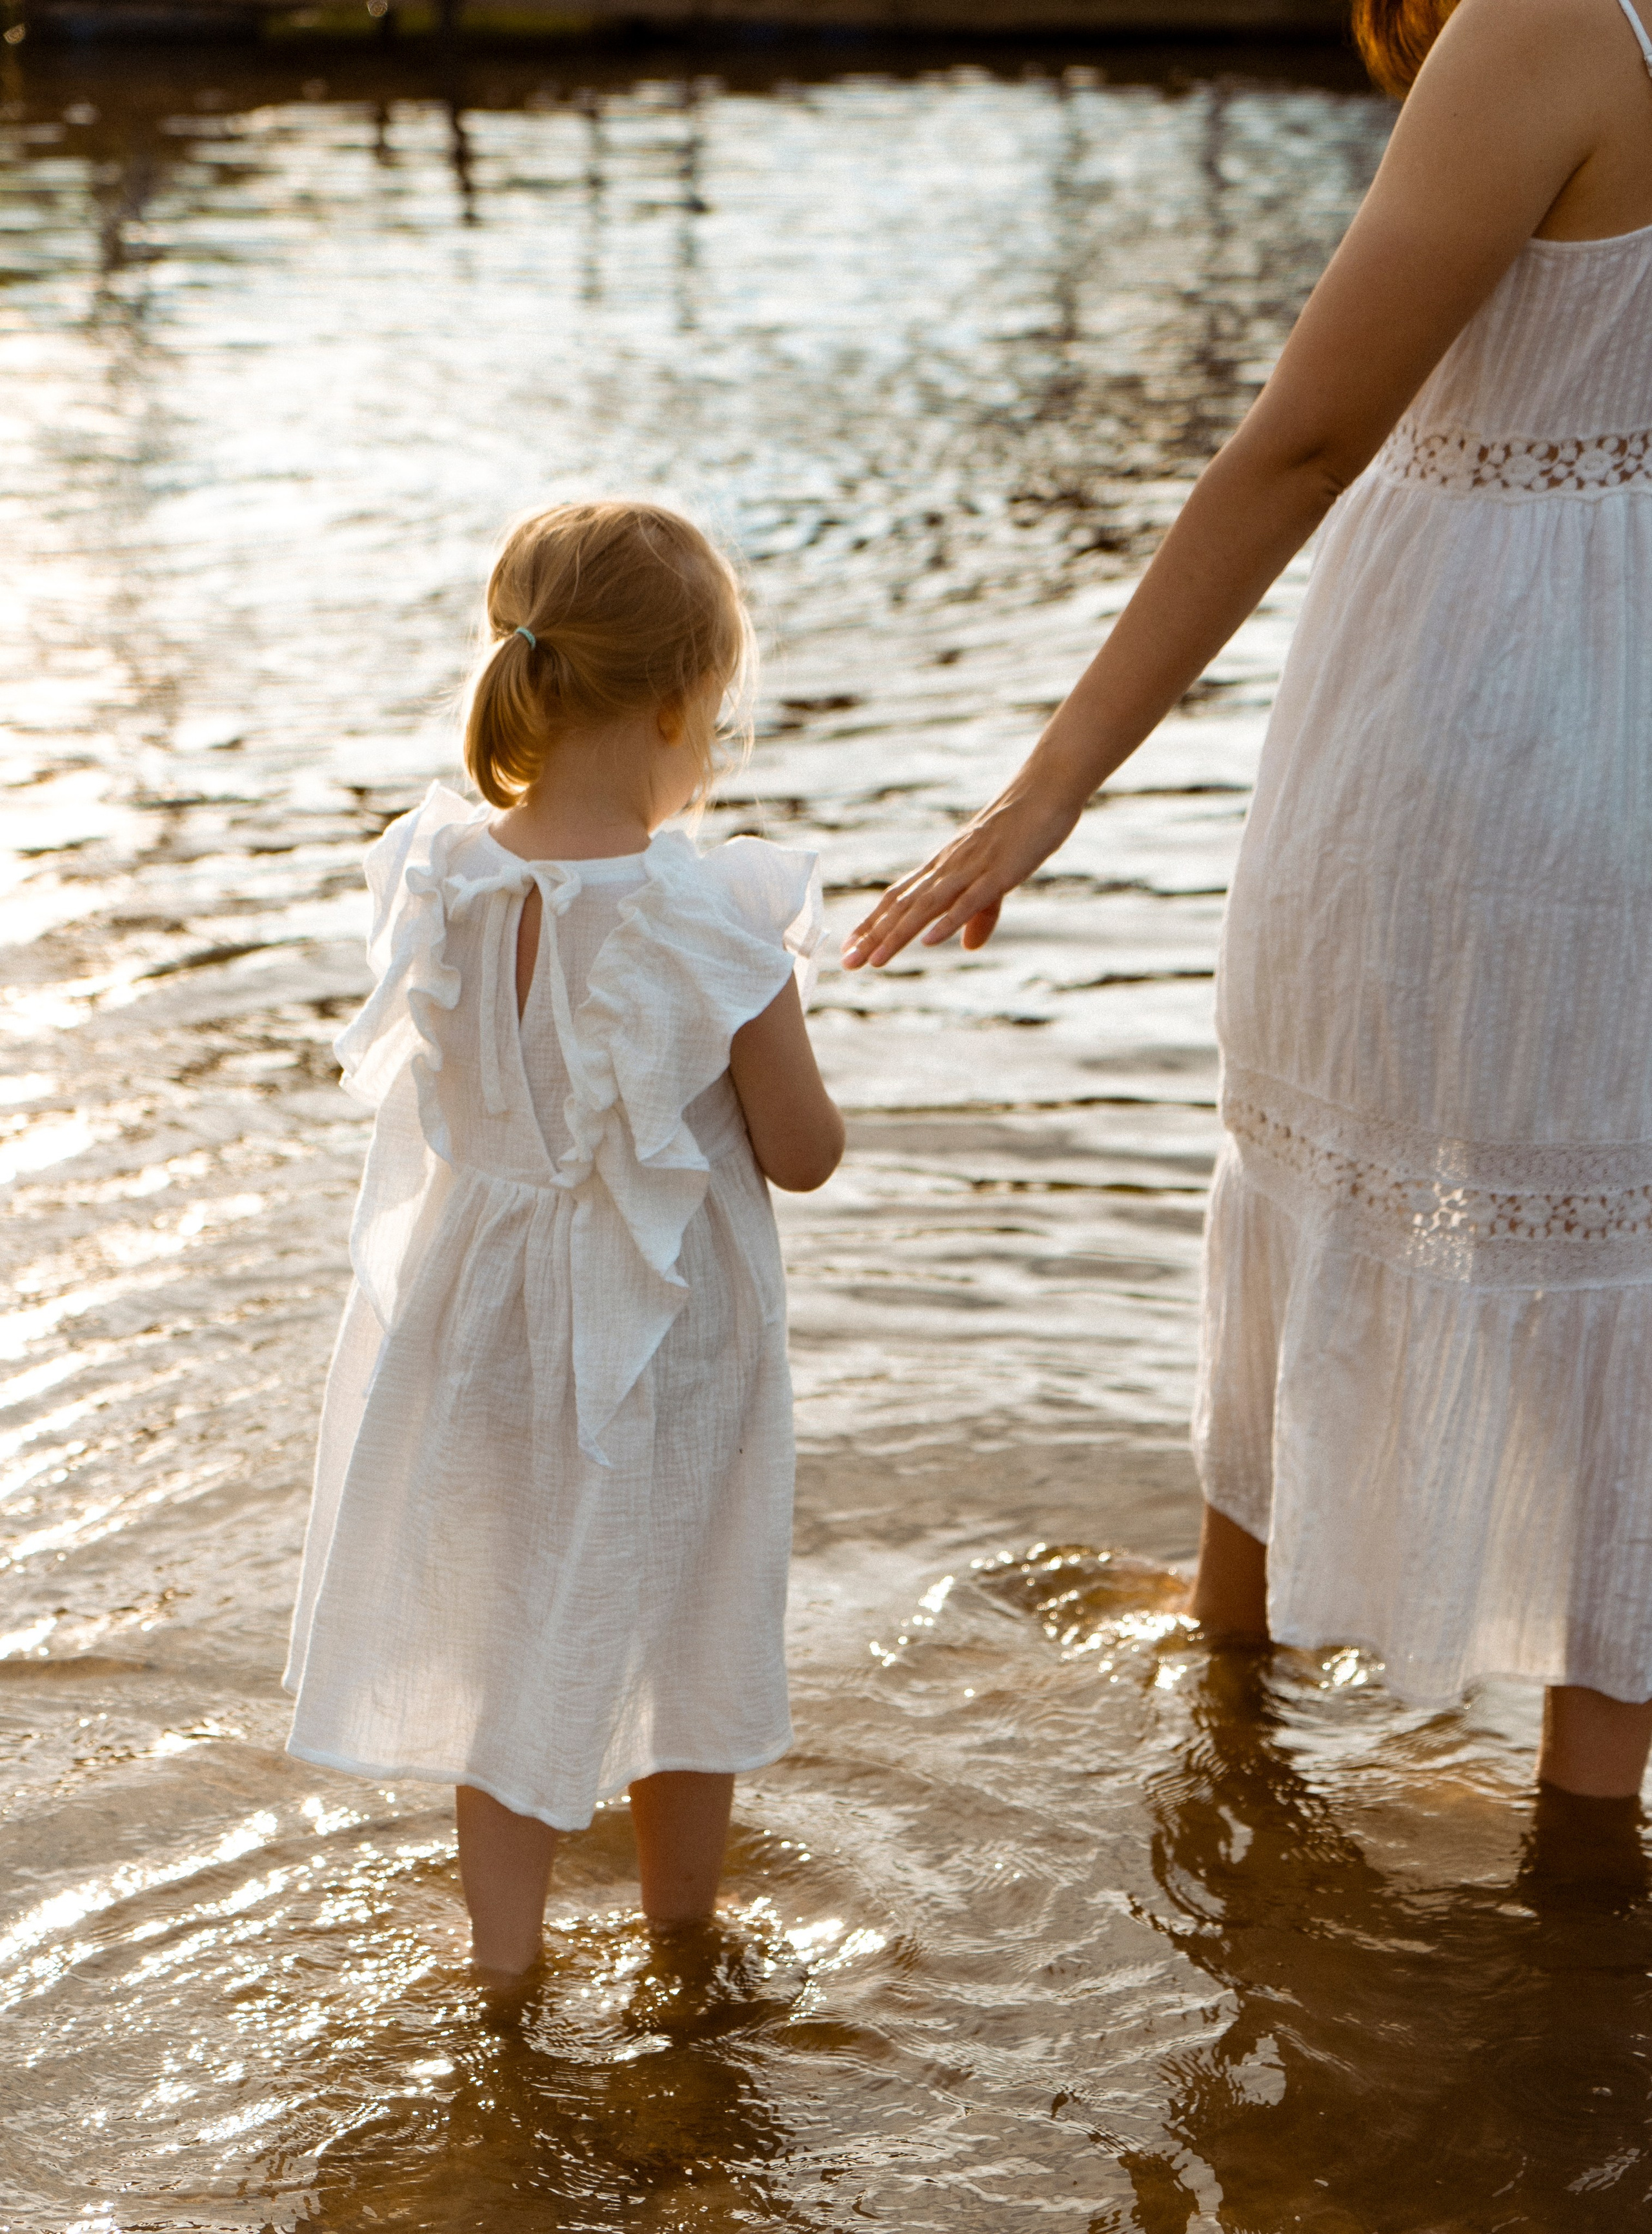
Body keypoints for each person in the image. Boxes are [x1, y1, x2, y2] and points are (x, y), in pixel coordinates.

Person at [844, 0, 1652, 1807]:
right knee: (1619, 1278)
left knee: (1316, 1197)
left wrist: (1051, 782)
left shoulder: (1549, 25)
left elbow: (1304, 439)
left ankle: (1232, 1714)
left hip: (1479, 735)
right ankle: (1587, 1851)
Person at [285, 500, 844, 1986]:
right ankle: (680, 1947)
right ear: (676, 705)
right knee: (687, 1623)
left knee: (507, 1639)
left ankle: (504, 1970)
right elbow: (802, 1151)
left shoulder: (441, 877)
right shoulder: (714, 914)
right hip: (667, 1351)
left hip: (479, 1332)